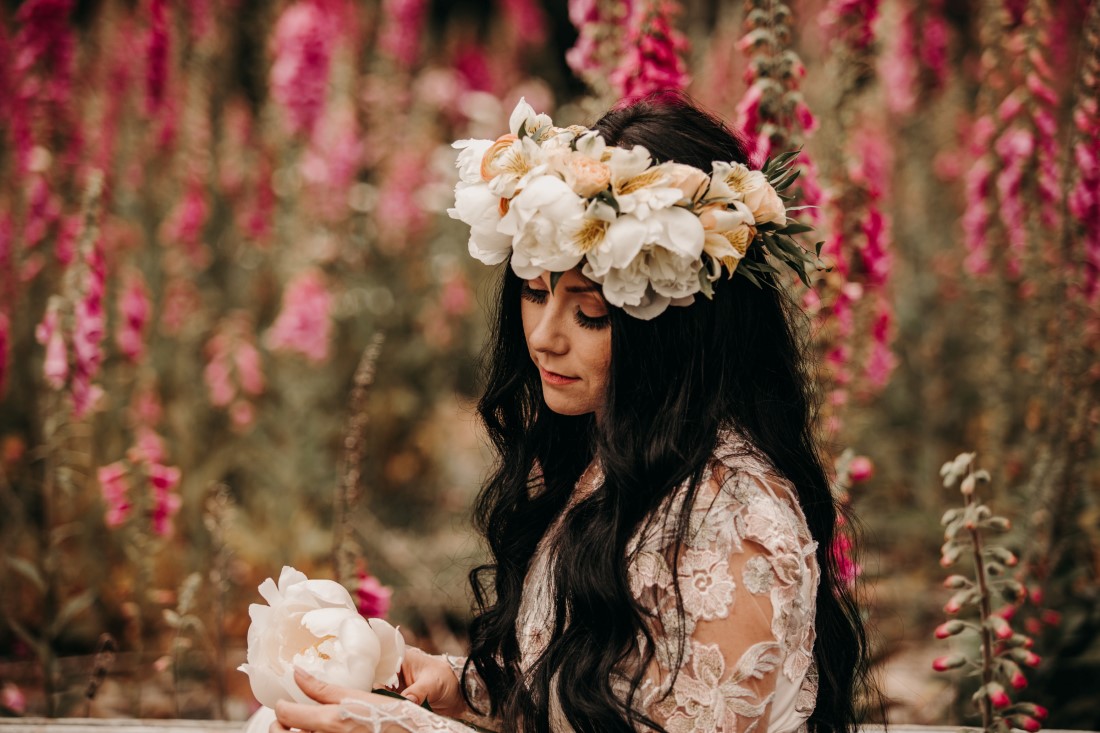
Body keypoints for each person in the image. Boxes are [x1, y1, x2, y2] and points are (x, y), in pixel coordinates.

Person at [268, 93, 875, 733]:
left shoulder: (736, 522)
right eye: (534, 293)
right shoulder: (621, 461)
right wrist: (464, 690)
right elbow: (602, 696)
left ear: (675, 327)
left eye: (591, 312)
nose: (544, 337)